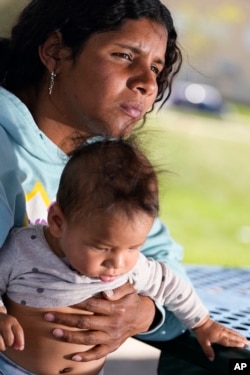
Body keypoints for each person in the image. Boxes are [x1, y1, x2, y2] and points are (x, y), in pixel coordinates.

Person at [0, 0, 221, 374]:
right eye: (124, 56)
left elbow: (165, 264)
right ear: (55, 52)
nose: (148, 83)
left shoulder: (102, 167)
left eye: (155, 67)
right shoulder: (7, 154)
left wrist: (142, 314)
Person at [0, 137, 248, 375]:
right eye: (102, 247)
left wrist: (203, 325)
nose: (117, 264)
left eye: (133, 248)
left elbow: (172, 285)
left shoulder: (132, 267)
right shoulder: (24, 248)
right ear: (58, 222)